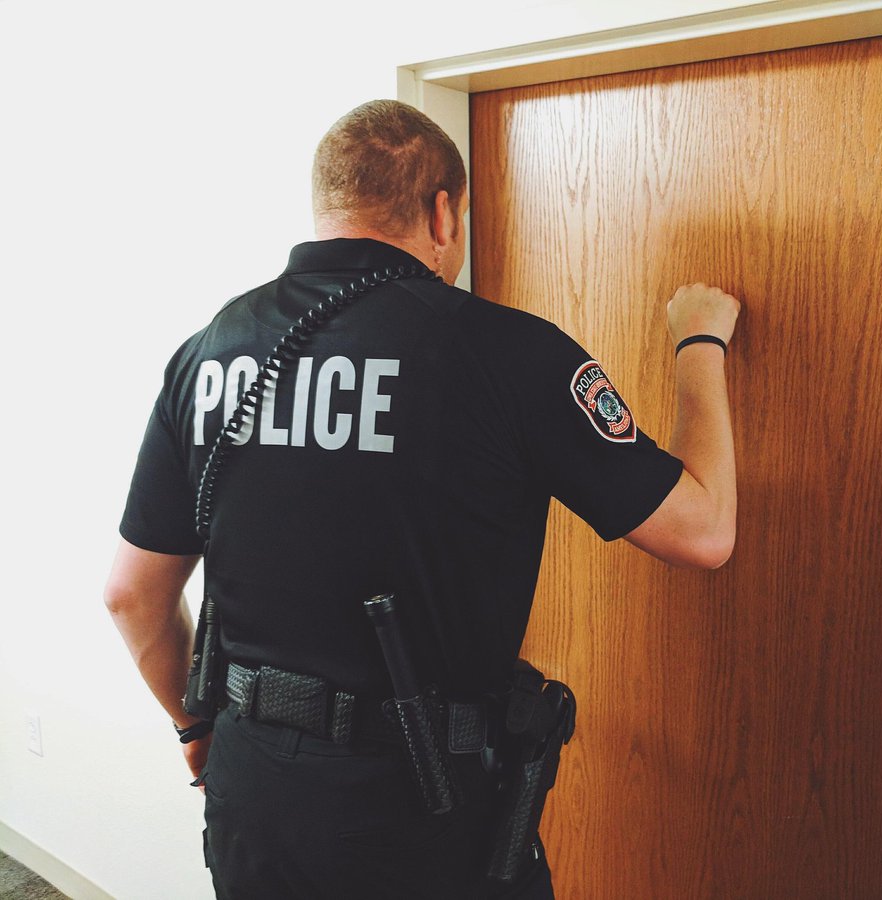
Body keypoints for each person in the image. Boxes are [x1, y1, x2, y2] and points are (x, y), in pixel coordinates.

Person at [103, 99, 740, 899]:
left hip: (253, 795)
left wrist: (196, 725)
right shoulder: (508, 352)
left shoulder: (209, 352)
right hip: (422, 810)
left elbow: (132, 594)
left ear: (328, 204)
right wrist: (699, 344)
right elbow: (703, 530)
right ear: (443, 214)